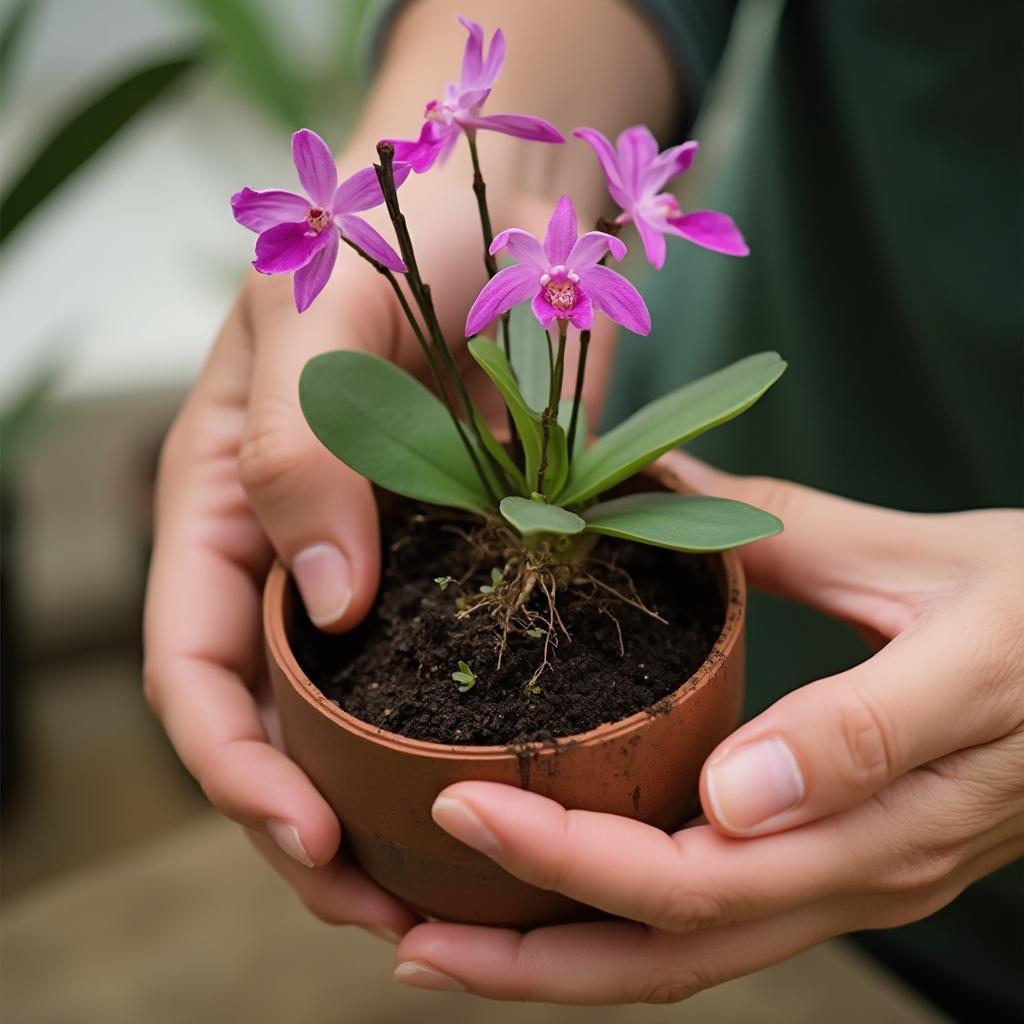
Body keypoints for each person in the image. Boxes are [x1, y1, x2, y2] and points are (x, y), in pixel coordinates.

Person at [143, 0, 1023, 1017]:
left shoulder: (580, 286)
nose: (557, 285)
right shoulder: (530, 276)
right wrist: (522, 155)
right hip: (714, 642)